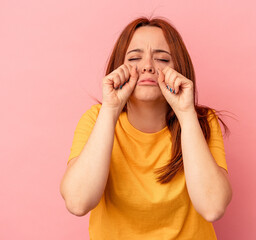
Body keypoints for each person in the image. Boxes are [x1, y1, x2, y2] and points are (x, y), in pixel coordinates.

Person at [60, 17, 232, 240]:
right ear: (118, 68)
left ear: (179, 69)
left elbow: (213, 207)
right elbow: (77, 202)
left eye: (162, 58)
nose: (148, 66)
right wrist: (111, 109)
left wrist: (186, 112)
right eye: (134, 58)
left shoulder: (202, 121)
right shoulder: (96, 119)